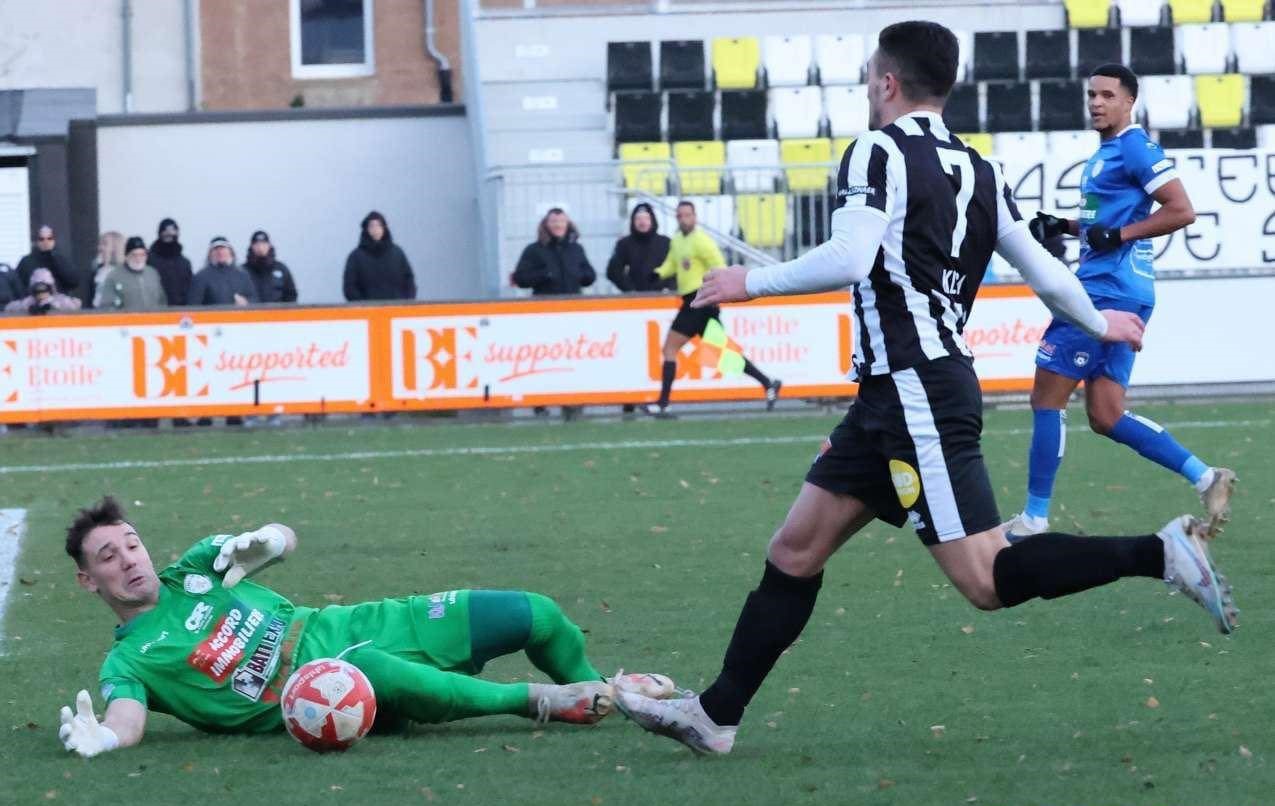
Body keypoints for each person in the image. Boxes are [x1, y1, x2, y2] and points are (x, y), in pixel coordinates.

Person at [615, 22, 1236, 756]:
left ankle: (1159, 553)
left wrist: (747, 281)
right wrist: (1099, 321)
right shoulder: (979, 168)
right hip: (889, 397)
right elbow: (1042, 270)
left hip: (917, 391)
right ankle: (714, 716)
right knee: (794, 550)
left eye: (868, 75)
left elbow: (850, 258)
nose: (866, 86)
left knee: (987, 579)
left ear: (887, 81)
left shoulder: (876, 150)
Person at [55, 497, 675, 758]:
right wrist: (104, 738)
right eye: (108, 557)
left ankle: (603, 689)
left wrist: (268, 539)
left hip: (358, 622)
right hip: (320, 690)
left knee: (533, 614)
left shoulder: (196, 568)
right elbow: (127, 721)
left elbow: (281, 539)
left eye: (131, 544)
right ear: (88, 581)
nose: (129, 560)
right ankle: (541, 701)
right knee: (366, 669)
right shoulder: (129, 661)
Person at [1003, 64, 1234, 541]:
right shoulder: (1106, 152)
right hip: (1123, 288)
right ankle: (1205, 476)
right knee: (1106, 415)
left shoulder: (1134, 146)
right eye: (1092, 94)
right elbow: (1105, 224)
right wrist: (1065, 226)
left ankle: (1034, 518)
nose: (1096, 102)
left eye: (1108, 95)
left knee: (1046, 398)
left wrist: (1120, 235)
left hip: (1105, 291)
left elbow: (1181, 210)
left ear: (1130, 101)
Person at [642, 201, 781, 418]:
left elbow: (720, 267)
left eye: (687, 215)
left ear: (695, 217)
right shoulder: (677, 241)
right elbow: (672, 264)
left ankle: (663, 404)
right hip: (695, 302)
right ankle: (768, 383)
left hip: (700, 301)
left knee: (670, 348)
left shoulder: (702, 241)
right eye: (680, 216)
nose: (683, 219)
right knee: (723, 353)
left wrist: (717, 293)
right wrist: (658, 273)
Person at [513, 208, 596, 296]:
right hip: (544, 302)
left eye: (562, 221)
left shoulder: (576, 249)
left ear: (568, 224)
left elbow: (590, 276)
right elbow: (520, 278)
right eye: (553, 221)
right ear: (546, 224)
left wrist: (577, 274)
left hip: (574, 301)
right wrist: (546, 274)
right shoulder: (533, 250)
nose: (558, 225)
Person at [343, 211, 417, 301]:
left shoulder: (398, 254)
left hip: (396, 307)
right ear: (366, 229)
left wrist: (406, 302)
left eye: (379, 225)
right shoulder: (355, 257)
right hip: (368, 308)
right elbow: (349, 287)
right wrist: (363, 305)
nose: (375, 229)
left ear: (384, 228)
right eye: (372, 226)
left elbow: (409, 280)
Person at [606, 203, 674, 293]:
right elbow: (613, 271)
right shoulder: (624, 244)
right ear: (633, 222)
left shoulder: (666, 243)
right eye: (638, 219)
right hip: (635, 297)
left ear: (652, 220)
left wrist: (669, 288)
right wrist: (629, 289)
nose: (642, 222)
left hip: (663, 296)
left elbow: (676, 268)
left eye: (646, 218)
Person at [97, 237, 167, 311]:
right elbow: (107, 306)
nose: (138, 259)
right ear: (126, 256)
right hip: (127, 318)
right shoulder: (114, 276)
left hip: (153, 318)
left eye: (142, 255)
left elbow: (162, 301)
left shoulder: (152, 273)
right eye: (134, 255)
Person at [188, 236, 256, 307]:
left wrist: (246, 302)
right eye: (216, 249)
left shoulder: (242, 275)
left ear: (230, 251)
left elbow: (255, 299)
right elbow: (193, 305)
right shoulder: (201, 277)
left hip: (239, 314)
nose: (220, 252)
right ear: (210, 254)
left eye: (223, 248)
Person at [16, 225, 79, 296]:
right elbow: (17, 286)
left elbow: (74, 282)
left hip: (58, 301)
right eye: (41, 239)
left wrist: (56, 259)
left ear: (54, 240)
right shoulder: (26, 262)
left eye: (49, 238)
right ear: (36, 241)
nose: (45, 242)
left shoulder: (62, 259)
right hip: (33, 301)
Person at [149, 218, 194, 306]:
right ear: (160, 233)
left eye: (172, 231)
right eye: (165, 231)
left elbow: (190, 290)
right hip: (156, 310)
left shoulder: (184, 263)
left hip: (180, 311)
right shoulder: (150, 260)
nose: (169, 234)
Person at [244, 230, 298, 304]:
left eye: (264, 244)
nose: (260, 247)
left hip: (277, 310)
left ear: (269, 245)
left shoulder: (281, 269)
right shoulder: (243, 271)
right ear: (251, 247)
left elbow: (291, 294)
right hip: (251, 310)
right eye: (257, 244)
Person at [4, 267, 82, 314]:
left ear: (50, 289)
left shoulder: (59, 299)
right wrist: (28, 308)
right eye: (38, 290)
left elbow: (76, 304)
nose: (41, 293)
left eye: (45, 289)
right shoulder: (29, 301)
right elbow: (9, 308)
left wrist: (52, 306)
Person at [89, 231, 125, 308]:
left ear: (116, 247)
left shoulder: (123, 272)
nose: (100, 248)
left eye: (105, 244)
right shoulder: (97, 271)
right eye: (100, 244)